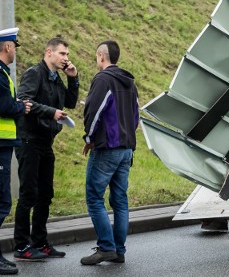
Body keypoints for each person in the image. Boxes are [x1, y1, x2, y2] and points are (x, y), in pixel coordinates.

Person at [13, 37, 79, 261]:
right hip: (29, 140)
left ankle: (40, 241)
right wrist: (51, 112)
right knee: (29, 194)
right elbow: (23, 100)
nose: (66, 58)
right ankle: (21, 246)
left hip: (45, 142)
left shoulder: (57, 79)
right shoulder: (35, 73)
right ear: (49, 52)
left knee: (45, 194)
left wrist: (73, 79)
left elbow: (69, 103)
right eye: (62, 54)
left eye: (67, 55)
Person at [81, 40, 138, 266]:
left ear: (101, 57)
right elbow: (135, 117)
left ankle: (106, 247)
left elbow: (93, 111)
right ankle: (119, 250)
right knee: (120, 201)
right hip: (126, 150)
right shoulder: (129, 82)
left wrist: (89, 138)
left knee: (95, 198)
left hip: (107, 149)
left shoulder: (103, 79)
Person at [0, 28, 31, 275]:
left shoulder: (3, 73)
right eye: (14, 46)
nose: (15, 51)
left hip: (4, 143)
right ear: (7, 46)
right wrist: (22, 106)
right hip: (0, 143)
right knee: (2, 202)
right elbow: (5, 105)